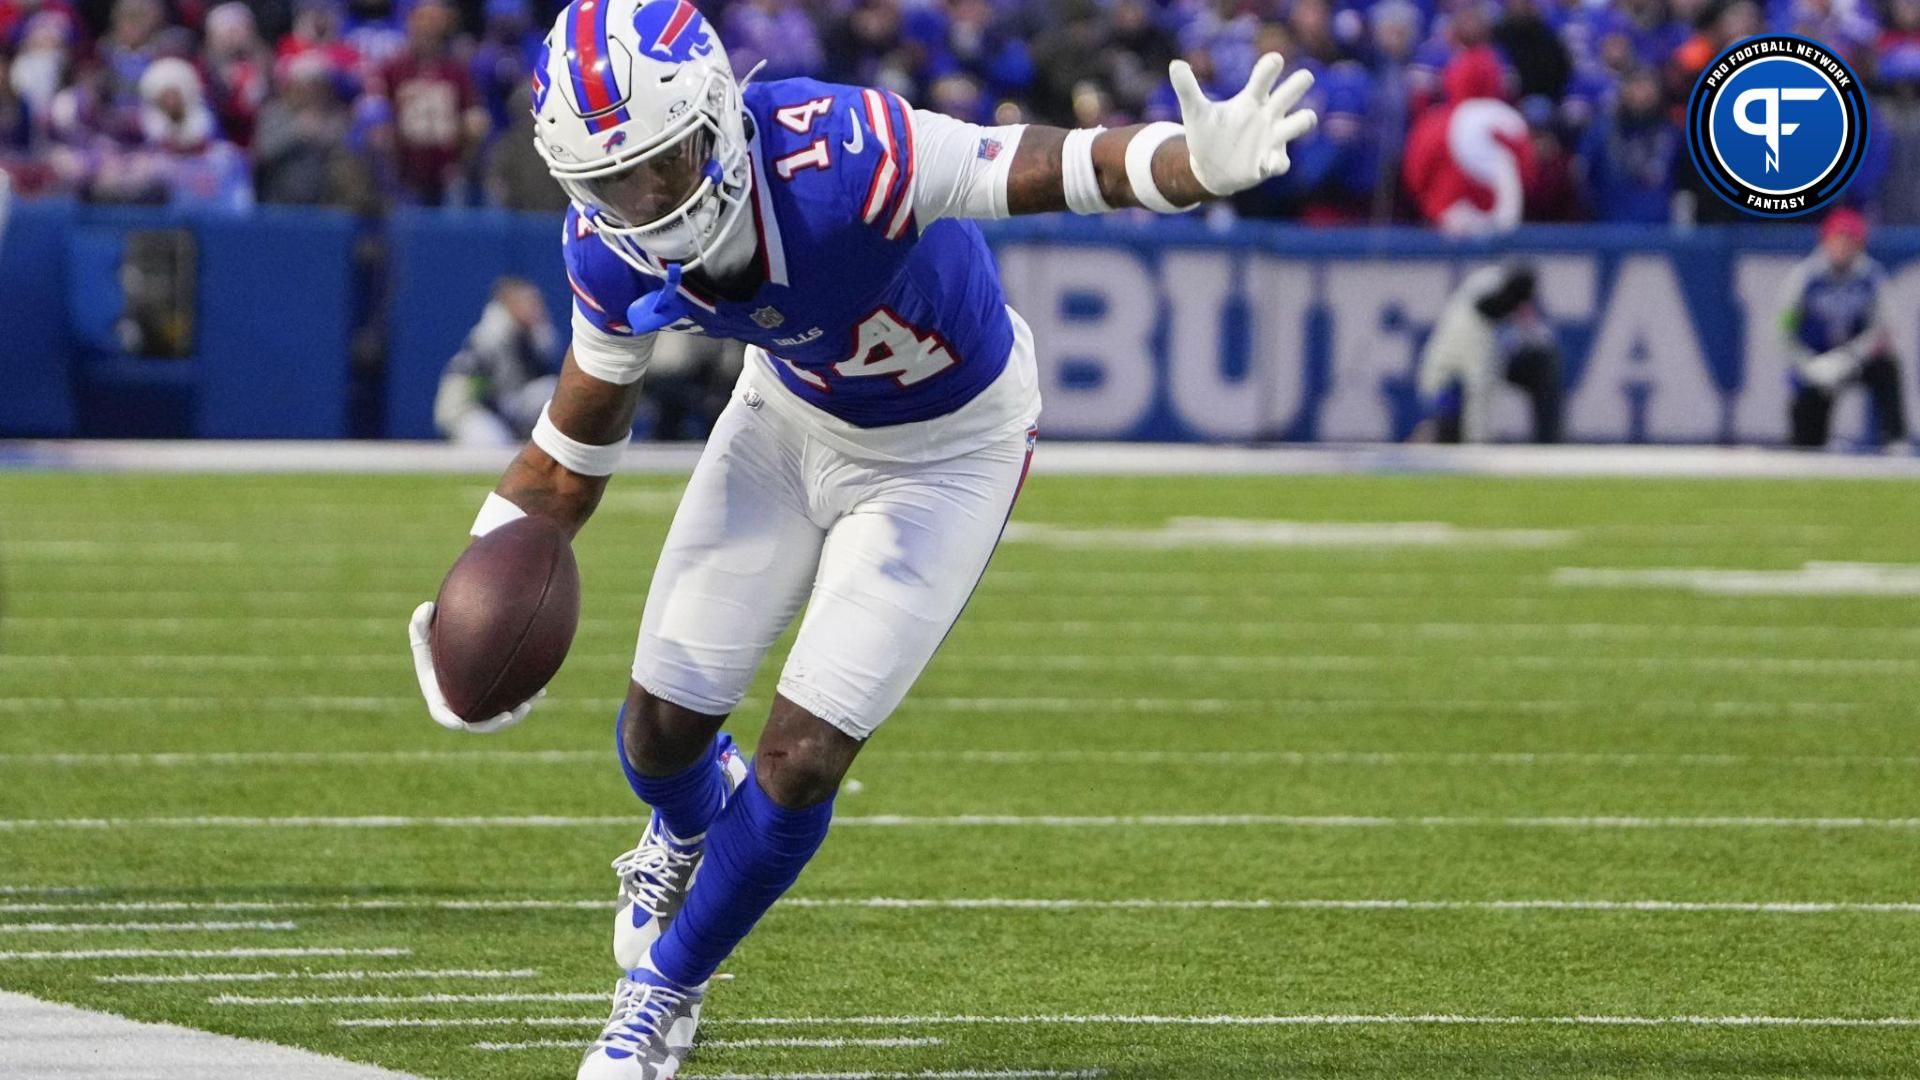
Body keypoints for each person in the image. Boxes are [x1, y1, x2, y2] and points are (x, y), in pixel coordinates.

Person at [402, 2, 1320, 1075]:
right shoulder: (612, 257)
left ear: (720, 117)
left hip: (949, 452)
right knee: (658, 730)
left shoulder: (840, 156)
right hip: (787, 422)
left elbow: (1047, 165)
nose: (649, 202)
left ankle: (663, 989)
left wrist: (1185, 166)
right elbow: (567, 458)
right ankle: (687, 821)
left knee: (800, 760)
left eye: (666, 164)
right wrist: (473, 577)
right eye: (616, 182)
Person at [1776, 209, 1910, 451]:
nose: (1843, 247)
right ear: (1826, 241)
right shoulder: (1805, 276)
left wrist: (1850, 357)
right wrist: (1808, 364)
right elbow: (1784, 330)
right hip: (1815, 358)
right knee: (1806, 438)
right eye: (1838, 240)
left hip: (1855, 358)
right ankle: (1808, 443)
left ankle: (1896, 439)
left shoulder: (1871, 275)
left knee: (1887, 366)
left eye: (1850, 241)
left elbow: (1883, 328)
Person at [1414, 258, 1562, 444]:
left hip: (1491, 356)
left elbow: (1531, 329)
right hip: (1449, 381)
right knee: (1449, 427)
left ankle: (1548, 445)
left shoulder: (1503, 294)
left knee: (1544, 361)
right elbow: (1477, 386)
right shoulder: (1475, 311)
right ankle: (1434, 439)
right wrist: (1479, 445)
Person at [433, 277, 562, 446]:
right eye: (527, 302)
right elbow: (483, 388)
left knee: (549, 390)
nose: (535, 308)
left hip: (502, 405)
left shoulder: (534, 336)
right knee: (491, 442)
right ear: (510, 304)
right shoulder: (491, 337)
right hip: (468, 408)